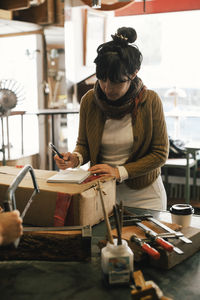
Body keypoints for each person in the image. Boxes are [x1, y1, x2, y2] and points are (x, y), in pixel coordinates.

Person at [54, 27, 169, 210]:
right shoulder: (89, 101)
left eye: (116, 81)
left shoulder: (151, 101)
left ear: (133, 73)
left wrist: (118, 172)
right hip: (103, 192)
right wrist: (75, 158)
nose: (107, 88)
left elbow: (160, 154)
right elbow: (84, 144)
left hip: (145, 195)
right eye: (102, 79)